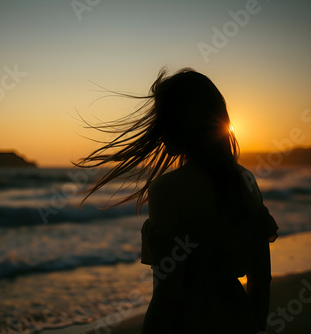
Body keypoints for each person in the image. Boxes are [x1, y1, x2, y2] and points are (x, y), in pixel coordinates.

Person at [75, 68, 278, 333]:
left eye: (162, 118)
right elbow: (261, 281)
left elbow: (167, 295)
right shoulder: (246, 182)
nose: (157, 130)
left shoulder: (167, 190)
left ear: (182, 123)